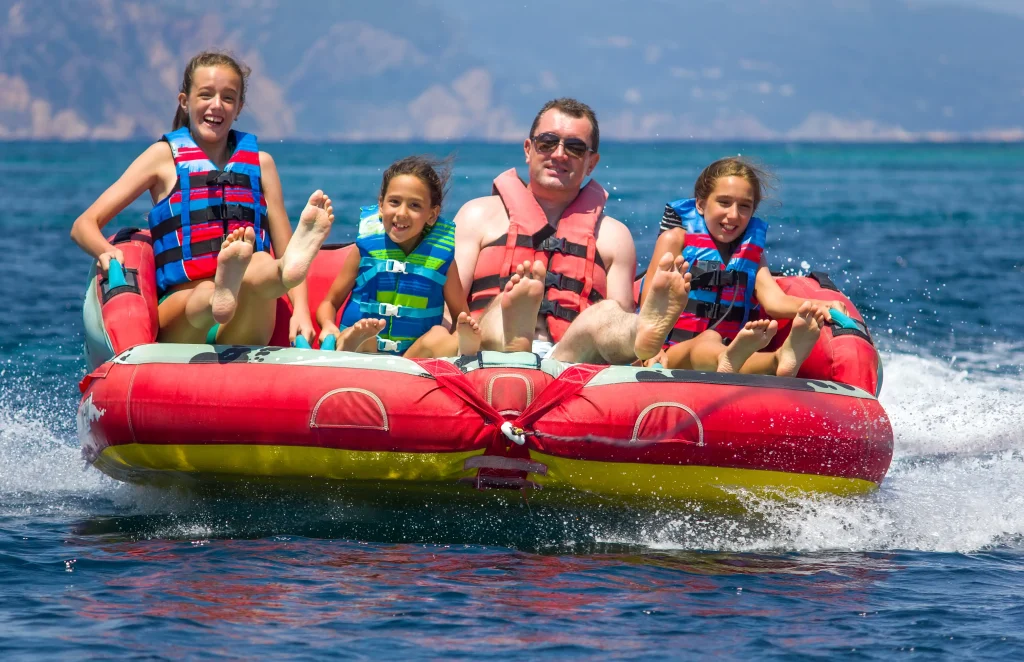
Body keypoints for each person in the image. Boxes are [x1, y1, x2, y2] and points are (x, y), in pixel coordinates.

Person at [70, 51, 334, 346]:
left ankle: (279, 275)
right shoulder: (162, 158)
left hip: (246, 318)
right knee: (204, 296)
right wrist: (104, 251)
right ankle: (221, 292)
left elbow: (285, 246)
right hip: (185, 315)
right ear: (185, 101)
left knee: (261, 261)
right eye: (206, 95)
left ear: (239, 108)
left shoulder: (262, 165)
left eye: (228, 98)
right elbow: (84, 224)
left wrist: (299, 310)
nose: (216, 105)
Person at [411, 97, 689, 364]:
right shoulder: (478, 215)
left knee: (606, 315)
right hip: (487, 352)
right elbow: (449, 310)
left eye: (575, 148)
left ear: (591, 162)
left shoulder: (614, 237)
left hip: (570, 359)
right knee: (501, 308)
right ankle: (515, 338)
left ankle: (643, 332)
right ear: (528, 149)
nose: (559, 154)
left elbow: (612, 328)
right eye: (547, 143)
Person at [638, 157, 847, 376]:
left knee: (720, 346)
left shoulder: (751, 253)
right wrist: (649, 351)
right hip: (668, 354)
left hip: (730, 349)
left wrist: (820, 305)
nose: (733, 215)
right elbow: (649, 306)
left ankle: (779, 359)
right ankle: (732, 358)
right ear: (700, 203)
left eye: (744, 206)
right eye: (724, 202)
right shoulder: (675, 239)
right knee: (709, 339)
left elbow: (775, 301)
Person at [316, 156, 479, 357]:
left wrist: (460, 333)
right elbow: (329, 303)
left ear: (432, 215)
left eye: (415, 206)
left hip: (412, 358)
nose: (401, 213)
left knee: (438, 335)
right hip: (365, 349)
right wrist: (327, 325)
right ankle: (356, 341)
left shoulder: (442, 261)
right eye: (394, 202)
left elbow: (460, 317)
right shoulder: (363, 250)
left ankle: (458, 348)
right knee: (361, 335)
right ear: (381, 205)